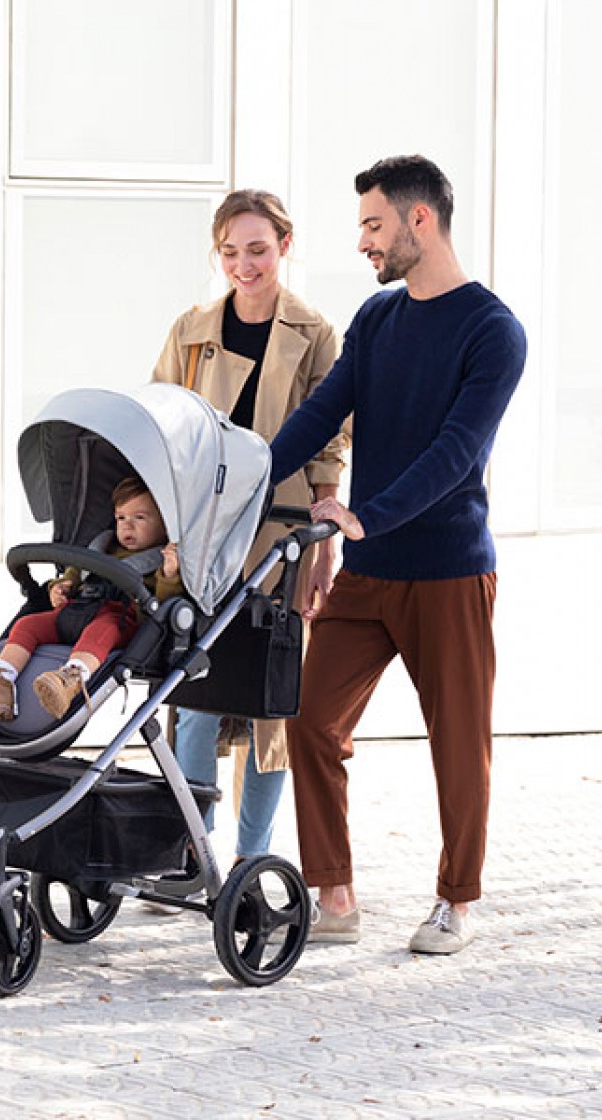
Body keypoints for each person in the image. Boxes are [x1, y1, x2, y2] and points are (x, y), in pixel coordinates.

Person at [268, 155, 527, 954]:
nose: (363, 243)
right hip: (369, 571)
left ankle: (455, 902)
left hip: (448, 571)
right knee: (310, 719)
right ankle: (336, 894)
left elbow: (456, 452)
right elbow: (321, 413)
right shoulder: (378, 319)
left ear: (421, 219)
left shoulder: (493, 330)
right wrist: (245, 481)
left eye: (373, 225)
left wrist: (365, 517)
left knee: (459, 746)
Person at [151, 189, 349, 865]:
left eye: (258, 250)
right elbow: (162, 424)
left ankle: (251, 860)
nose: (244, 265)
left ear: (285, 246)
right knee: (194, 693)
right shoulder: (192, 331)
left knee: (272, 706)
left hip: (284, 536)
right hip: (204, 534)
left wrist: (322, 553)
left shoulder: (316, 333)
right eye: (230, 251)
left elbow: (331, 446)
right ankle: (193, 852)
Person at [0, 477, 183, 722]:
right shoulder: (101, 547)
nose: (127, 526)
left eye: (140, 518)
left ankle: (69, 680)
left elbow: (162, 608)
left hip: (119, 620)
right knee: (28, 624)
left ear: (166, 525)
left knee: (102, 629)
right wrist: (59, 588)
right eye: (121, 517)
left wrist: (169, 575)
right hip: (76, 611)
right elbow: (74, 574)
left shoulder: (161, 561)